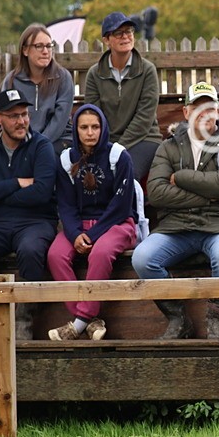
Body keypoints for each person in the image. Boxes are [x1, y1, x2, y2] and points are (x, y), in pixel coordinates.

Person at [133, 81, 219, 339]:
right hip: (178, 227)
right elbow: (158, 193)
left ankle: (218, 318)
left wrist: (182, 177)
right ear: (186, 113)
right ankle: (178, 318)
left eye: (210, 107)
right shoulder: (169, 146)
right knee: (142, 258)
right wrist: (208, 197)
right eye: (197, 108)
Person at [46, 105, 139, 341]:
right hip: (80, 226)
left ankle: (78, 324)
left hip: (117, 224)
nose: (90, 132)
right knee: (55, 255)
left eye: (95, 127)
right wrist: (75, 233)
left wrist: (93, 234)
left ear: (103, 128)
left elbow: (121, 204)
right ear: (76, 130)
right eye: (84, 127)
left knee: (100, 253)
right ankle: (90, 320)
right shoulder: (67, 159)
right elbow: (65, 204)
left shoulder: (119, 155)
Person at [0, 89, 58, 339]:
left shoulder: (41, 145)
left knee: (31, 251)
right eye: (13, 116)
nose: (21, 121)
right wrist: (15, 183)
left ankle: (24, 319)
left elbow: (42, 193)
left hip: (37, 221)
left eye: (24, 114)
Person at [84, 11, 163, 180]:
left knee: (126, 171)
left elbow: (145, 118)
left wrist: (119, 147)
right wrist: (105, 146)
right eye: (118, 33)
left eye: (129, 32)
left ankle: (129, 208)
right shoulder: (94, 73)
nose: (125, 37)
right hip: (107, 140)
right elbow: (93, 116)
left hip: (145, 139)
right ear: (106, 40)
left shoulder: (147, 70)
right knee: (91, 173)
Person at [0, 23, 75, 152]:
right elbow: (7, 117)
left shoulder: (63, 77)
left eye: (48, 46)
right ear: (25, 50)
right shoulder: (12, 81)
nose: (45, 51)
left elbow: (60, 121)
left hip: (58, 141)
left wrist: (37, 145)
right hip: (21, 142)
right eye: (39, 46)